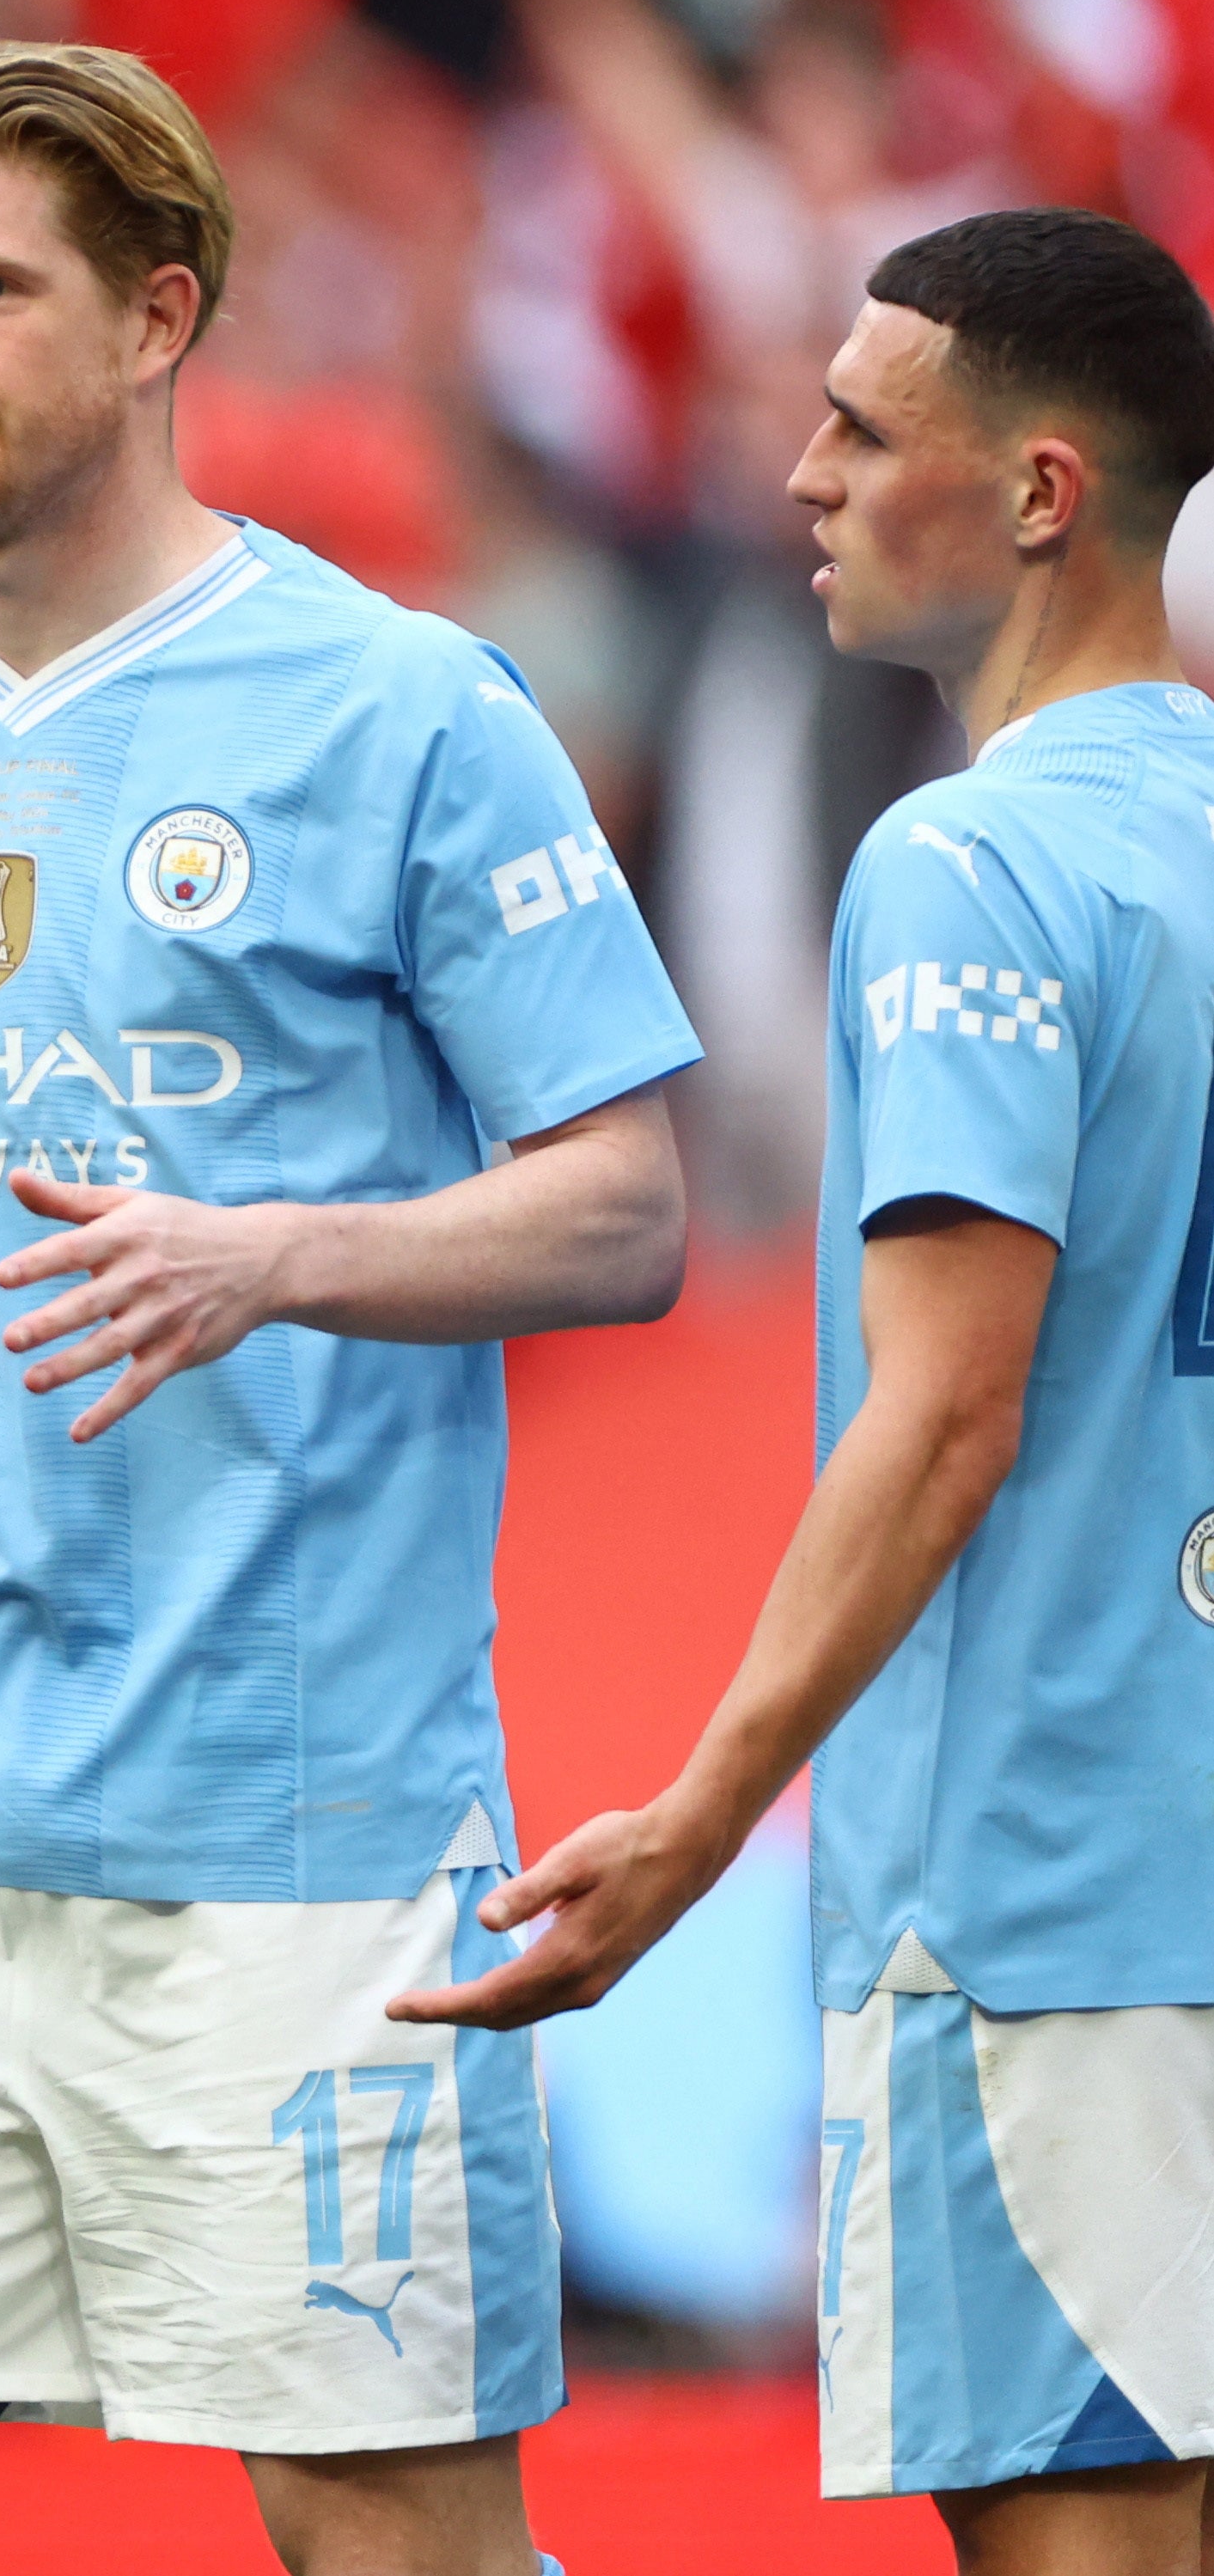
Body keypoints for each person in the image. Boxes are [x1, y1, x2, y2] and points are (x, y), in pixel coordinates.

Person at [0, 40, 700, 2576]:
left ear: (160, 314)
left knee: (377, 2527)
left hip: (290, 1807)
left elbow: (626, 1207)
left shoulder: (401, 706)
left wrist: (269, 1255)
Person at [406, 207, 1214, 2572]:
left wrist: (687, 1817)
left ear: (1043, 491)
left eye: (863, 432)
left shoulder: (970, 865)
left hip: (1045, 1908)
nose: (798, 477)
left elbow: (946, 1410)